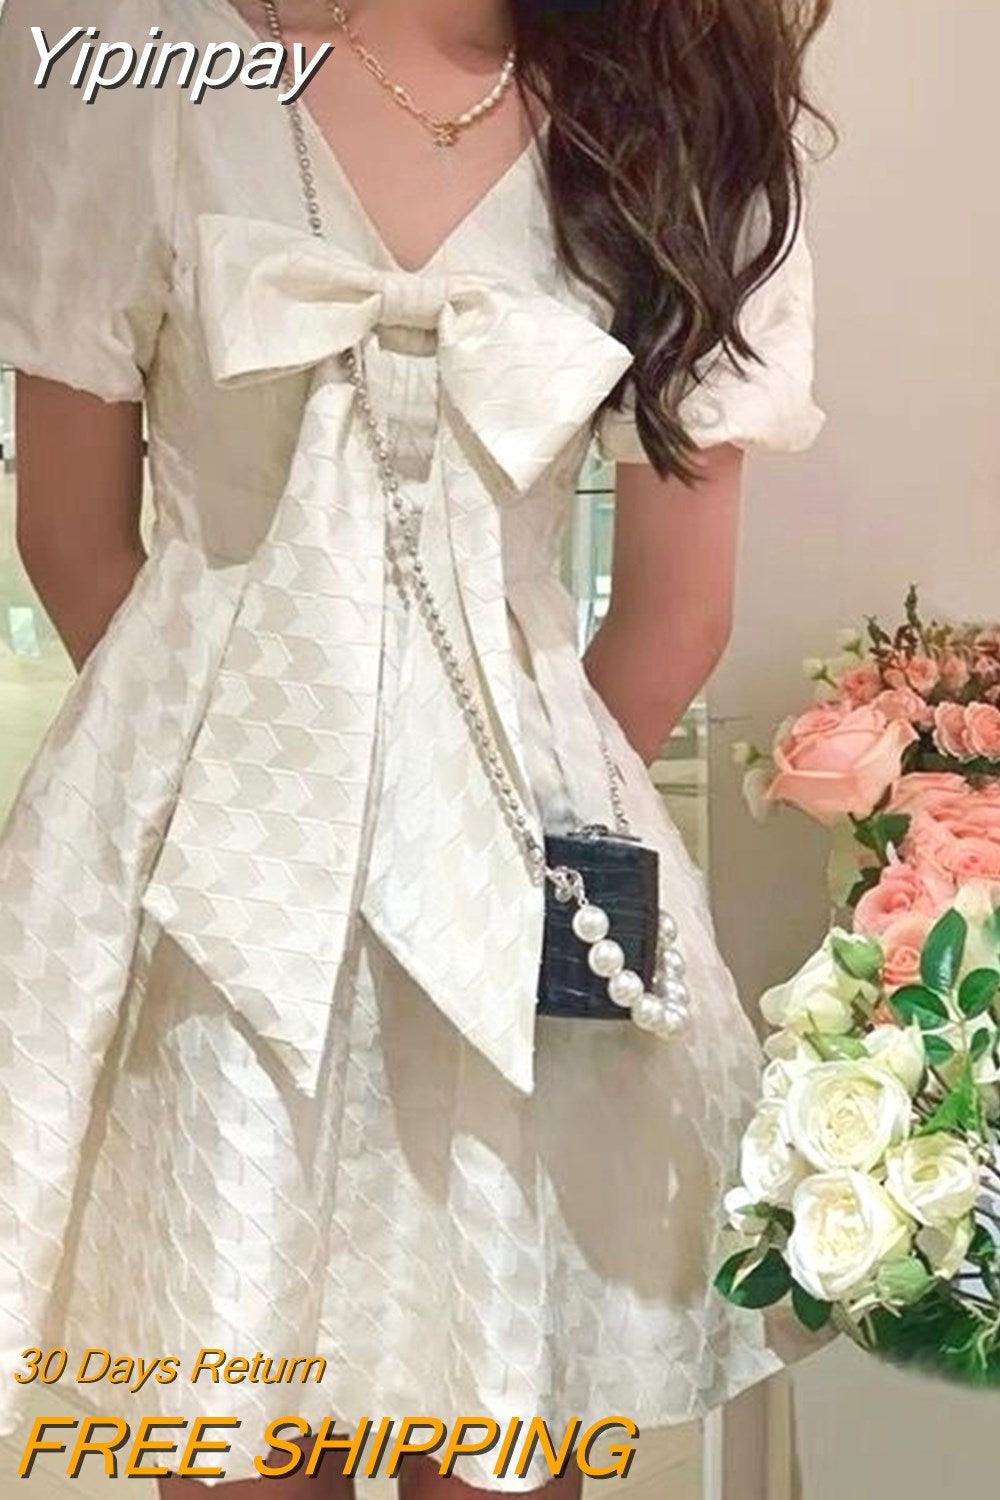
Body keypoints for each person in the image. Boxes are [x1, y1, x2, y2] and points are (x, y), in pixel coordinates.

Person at [0, 0, 833, 1495]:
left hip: (341, 855)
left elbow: (674, 620)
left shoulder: (681, 105)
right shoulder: (141, 68)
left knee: (442, 1426)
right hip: (243, 888)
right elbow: (66, 535)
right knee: (288, 1419)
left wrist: (295, 772)